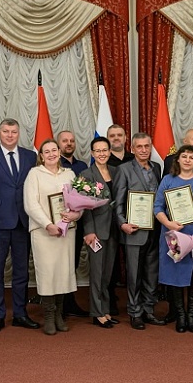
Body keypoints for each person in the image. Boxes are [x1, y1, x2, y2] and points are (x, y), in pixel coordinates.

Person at [0, 118, 40, 333]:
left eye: (13, 131)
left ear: (18, 133)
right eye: (6, 131)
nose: (10, 135)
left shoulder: (31, 156)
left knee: (22, 271)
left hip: (23, 222)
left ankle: (20, 313)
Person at [23, 139, 81, 335]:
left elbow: (78, 203)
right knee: (48, 273)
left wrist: (75, 215)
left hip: (66, 231)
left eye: (54, 150)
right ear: (41, 155)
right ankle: (48, 315)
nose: (51, 154)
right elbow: (31, 205)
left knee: (63, 272)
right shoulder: (34, 174)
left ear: (59, 152)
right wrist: (48, 224)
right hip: (44, 232)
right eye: (46, 151)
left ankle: (59, 315)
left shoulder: (70, 174)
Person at [155, 145, 193, 333]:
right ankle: (180, 316)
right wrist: (169, 223)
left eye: (192, 157)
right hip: (173, 235)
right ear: (177, 159)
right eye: (184, 156)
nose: (188, 160)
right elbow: (157, 207)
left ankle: (191, 316)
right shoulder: (167, 180)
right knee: (175, 274)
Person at [114, 132, 166, 330]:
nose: (144, 150)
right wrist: (122, 223)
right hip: (134, 230)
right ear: (132, 149)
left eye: (147, 146)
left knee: (151, 273)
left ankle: (149, 309)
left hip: (155, 228)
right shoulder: (124, 170)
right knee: (134, 274)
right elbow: (117, 202)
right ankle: (135, 312)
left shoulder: (157, 167)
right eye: (140, 147)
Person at [79, 137, 119, 328]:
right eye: (98, 151)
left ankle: (105, 309)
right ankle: (96, 312)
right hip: (96, 231)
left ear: (110, 152)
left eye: (105, 150)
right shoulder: (86, 175)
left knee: (107, 273)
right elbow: (84, 207)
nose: (102, 153)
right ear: (93, 154)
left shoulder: (116, 171)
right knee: (96, 273)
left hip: (114, 229)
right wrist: (89, 231)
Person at [56, 130, 89, 317]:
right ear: (58, 144)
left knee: (72, 263)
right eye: (65, 141)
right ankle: (57, 305)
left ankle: (70, 302)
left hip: (78, 224)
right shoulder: (52, 164)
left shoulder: (82, 166)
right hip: (58, 224)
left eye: (72, 141)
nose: (69, 143)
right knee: (59, 264)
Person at [105, 124, 133, 316]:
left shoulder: (135, 159)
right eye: (112, 136)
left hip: (135, 218)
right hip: (111, 219)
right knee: (112, 262)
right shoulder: (103, 161)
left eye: (119, 135)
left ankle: (135, 299)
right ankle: (110, 299)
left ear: (125, 138)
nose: (116, 138)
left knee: (133, 261)